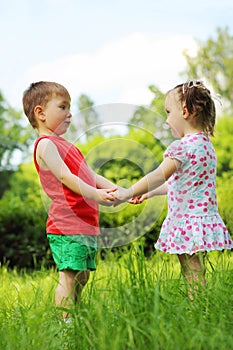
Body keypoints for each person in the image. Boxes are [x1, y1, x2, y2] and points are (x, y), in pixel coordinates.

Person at [114, 80, 233, 299]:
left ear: (185, 112)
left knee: (192, 271)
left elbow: (158, 175)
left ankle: (198, 308)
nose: (167, 120)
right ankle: (198, 304)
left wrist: (127, 191)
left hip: (186, 221)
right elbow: (181, 183)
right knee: (195, 269)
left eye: (168, 112)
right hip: (201, 219)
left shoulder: (181, 147)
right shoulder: (205, 145)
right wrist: (149, 193)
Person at [22, 81, 117, 321]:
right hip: (66, 224)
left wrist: (119, 190)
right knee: (70, 275)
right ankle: (66, 327)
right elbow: (65, 176)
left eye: (69, 107)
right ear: (40, 113)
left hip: (84, 222)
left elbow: (90, 176)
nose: (70, 113)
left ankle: (74, 314)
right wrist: (95, 195)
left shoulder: (68, 145)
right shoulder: (45, 145)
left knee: (83, 275)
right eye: (62, 107)